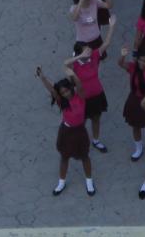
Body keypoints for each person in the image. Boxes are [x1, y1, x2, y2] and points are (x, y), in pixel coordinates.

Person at [33, 67, 98, 195]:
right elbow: (52, 89)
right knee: (64, 157)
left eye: (67, 91)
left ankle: (89, 181)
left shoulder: (80, 96)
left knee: (85, 157)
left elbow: (79, 85)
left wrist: (73, 74)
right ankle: (61, 182)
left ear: (71, 88)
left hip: (80, 131)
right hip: (66, 132)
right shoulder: (61, 101)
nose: (66, 94)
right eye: (63, 93)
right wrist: (43, 77)